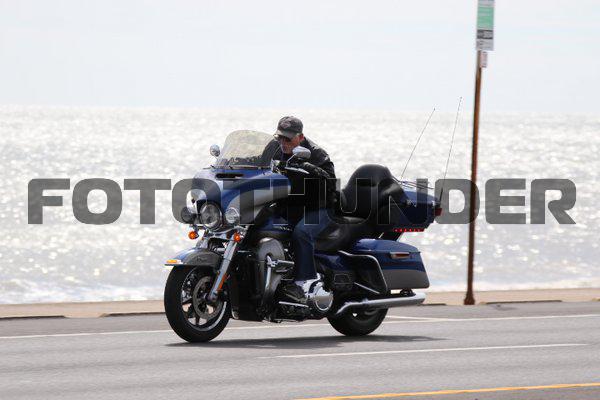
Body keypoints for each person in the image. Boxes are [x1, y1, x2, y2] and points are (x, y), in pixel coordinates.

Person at [270, 116, 337, 303]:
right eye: (280, 137)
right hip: (291, 206)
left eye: (288, 138)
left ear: (300, 137)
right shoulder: (275, 151)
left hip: (319, 207)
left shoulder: (316, 154)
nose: (283, 142)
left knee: (302, 232)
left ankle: (303, 283)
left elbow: (331, 182)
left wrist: (310, 168)